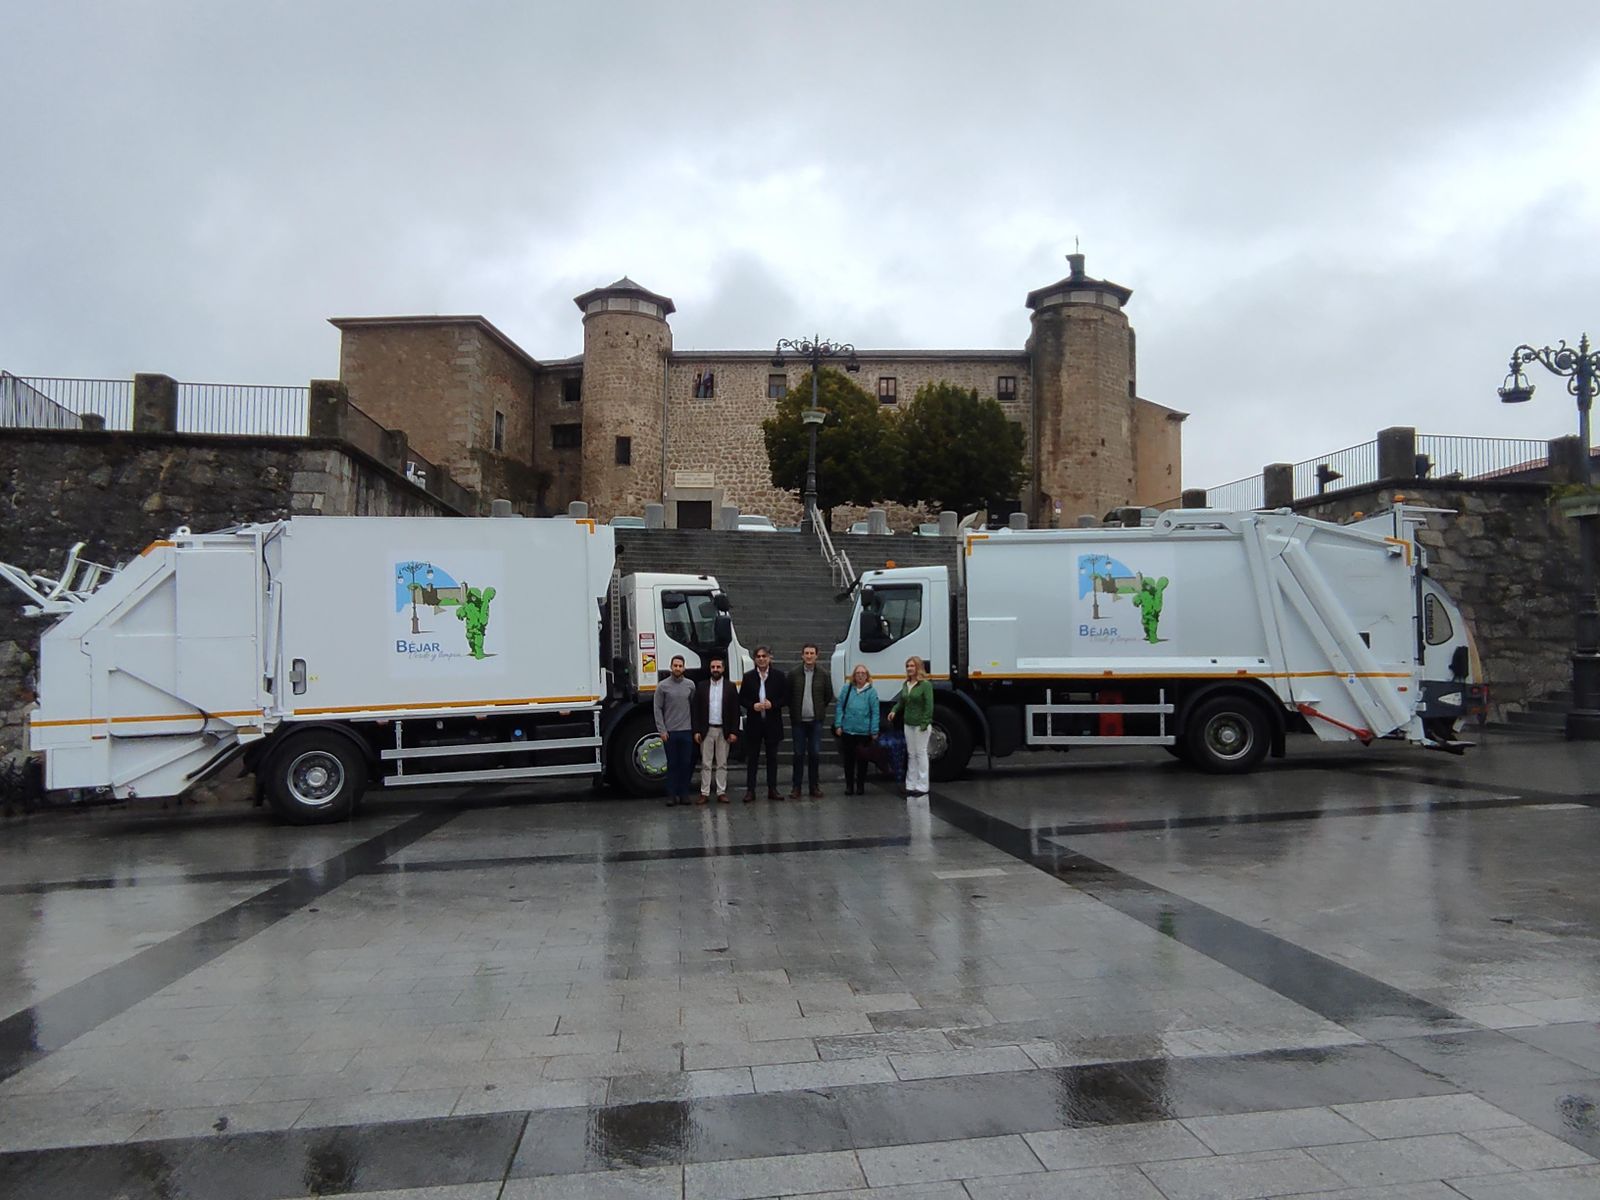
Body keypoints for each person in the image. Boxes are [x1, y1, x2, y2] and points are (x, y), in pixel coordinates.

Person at [738, 646, 787, 802]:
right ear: (754, 659)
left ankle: (772, 789)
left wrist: (772, 704)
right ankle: (750, 790)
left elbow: (785, 698)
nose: (761, 659)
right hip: (754, 723)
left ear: (769, 658)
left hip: (772, 723)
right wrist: (752, 706)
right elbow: (742, 698)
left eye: (764, 656)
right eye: (758, 656)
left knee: (772, 758)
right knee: (752, 758)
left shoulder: (779, 676)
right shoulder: (748, 677)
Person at [787, 643, 835, 798]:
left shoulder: (823, 674)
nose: (809, 656)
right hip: (798, 721)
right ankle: (796, 787)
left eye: (811, 653)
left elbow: (828, 695)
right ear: (802, 655)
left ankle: (814, 786)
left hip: (816, 721)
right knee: (798, 754)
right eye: (806, 653)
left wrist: (819, 709)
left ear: (817, 655)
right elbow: (789, 695)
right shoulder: (794, 674)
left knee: (814, 753)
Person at [692, 654, 740, 804]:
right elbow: (696, 710)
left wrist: (734, 731)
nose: (715, 669)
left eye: (718, 667)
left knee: (722, 763)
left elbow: (735, 711)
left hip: (723, 730)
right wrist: (696, 731)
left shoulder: (730, 687)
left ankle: (721, 792)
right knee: (706, 764)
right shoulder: (702, 686)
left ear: (723, 669)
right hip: (707, 729)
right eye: (713, 667)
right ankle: (704, 792)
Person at [885, 655, 934, 796]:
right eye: (907, 666)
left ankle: (923, 784)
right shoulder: (906, 684)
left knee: (921, 753)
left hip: (921, 725)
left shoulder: (925, 685)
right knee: (911, 754)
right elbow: (901, 702)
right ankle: (911, 783)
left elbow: (929, 705)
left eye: (912, 666)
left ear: (918, 667)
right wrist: (894, 711)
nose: (909, 669)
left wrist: (925, 722)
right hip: (908, 723)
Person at [653, 654, 697, 807]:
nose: (678, 668)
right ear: (670, 667)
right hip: (670, 732)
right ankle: (671, 795)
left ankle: (684, 794)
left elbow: (693, 706)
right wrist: (662, 730)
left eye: (680, 665)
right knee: (672, 765)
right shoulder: (662, 686)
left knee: (686, 764)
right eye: (675, 665)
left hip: (686, 731)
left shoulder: (690, 685)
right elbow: (657, 709)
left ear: (684, 668)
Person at [833, 663, 880, 795]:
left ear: (867, 676)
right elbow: (839, 707)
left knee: (862, 761)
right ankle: (849, 786)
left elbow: (875, 712)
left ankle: (860, 785)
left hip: (863, 732)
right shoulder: (847, 689)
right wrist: (838, 724)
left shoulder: (871, 692)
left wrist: (874, 730)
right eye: (858, 673)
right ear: (854, 676)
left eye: (863, 673)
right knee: (848, 760)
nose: (860, 675)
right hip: (848, 730)